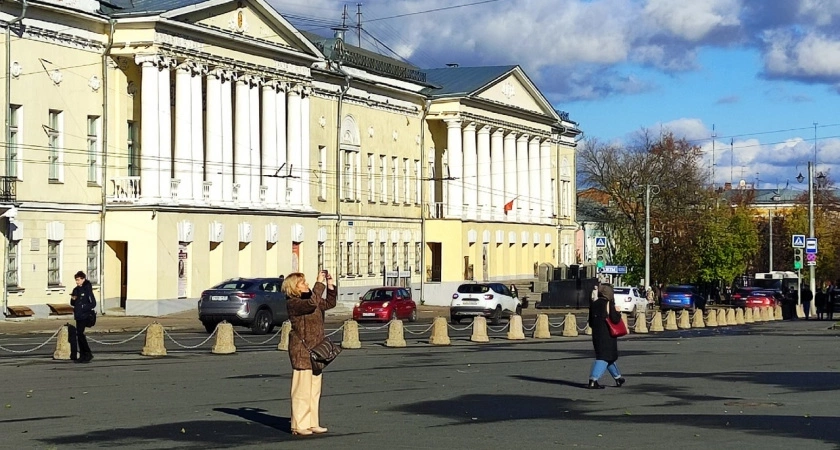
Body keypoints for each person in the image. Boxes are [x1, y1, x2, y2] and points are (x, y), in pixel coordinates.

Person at [284, 270, 337, 436]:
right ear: (294, 288)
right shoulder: (294, 302)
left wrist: (330, 285)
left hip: (316, 349)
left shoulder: (312, 298)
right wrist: (319, 284)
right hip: (302, 350)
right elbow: (312, 304)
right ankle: (299, 424)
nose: (306, 284)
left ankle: (312, 422)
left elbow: (329, 303)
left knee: (314, 389)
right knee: (302, 389)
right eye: (302, 283)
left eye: (306, 281)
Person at [587, 283, 625, 389]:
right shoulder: (608, 304)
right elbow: (615, 319)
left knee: (609, 357)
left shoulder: (594, 304)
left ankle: (618, 378)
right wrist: (618, 312)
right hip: (607, 334)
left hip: (596, 334)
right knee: (603, 357)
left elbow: (590, 322)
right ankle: (593, 380)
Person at [70, 270, 97, 363]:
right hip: (78, 315)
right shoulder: (76, 290)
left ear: (83, 279)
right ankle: (83, 355)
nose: (77, 282)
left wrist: (83, 307)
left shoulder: (87, 289)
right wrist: (73, 299)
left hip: (85, 315)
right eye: (76, 280)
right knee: (79, 335)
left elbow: (93, 303)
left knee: (80, 334)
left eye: (78, 280)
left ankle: (87, 353)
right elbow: (72, 303)